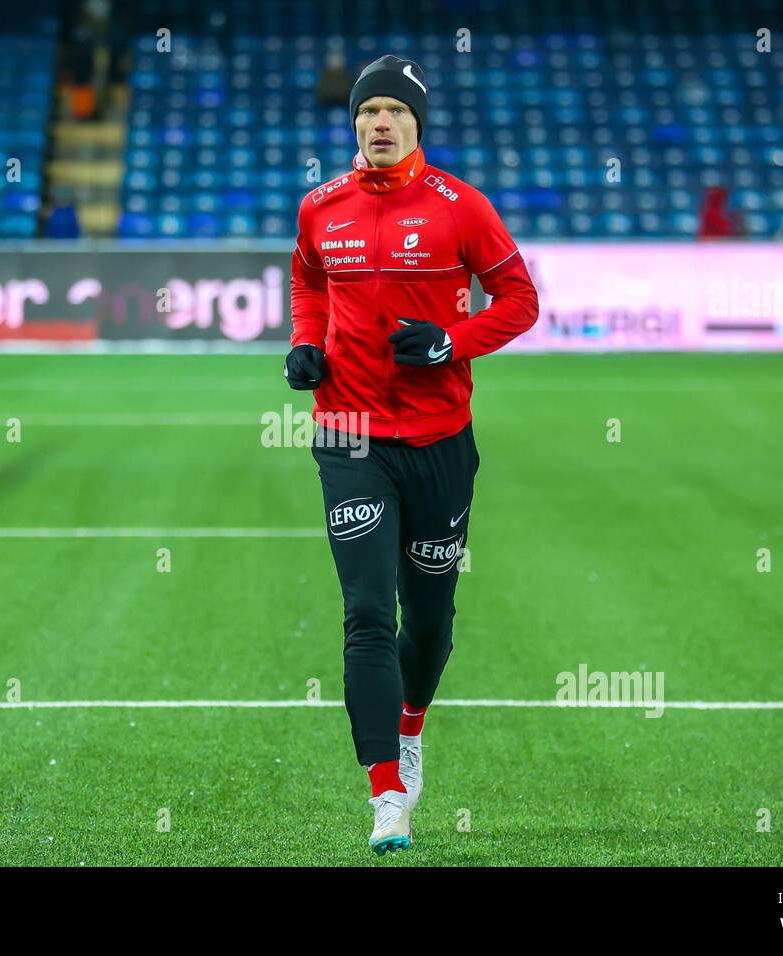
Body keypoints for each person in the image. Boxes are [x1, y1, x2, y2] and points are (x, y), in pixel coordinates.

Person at [285, 54, 539, 855]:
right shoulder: (320, 207)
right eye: (368, 113)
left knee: (430, 625)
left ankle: (413, 725)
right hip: (348, 433)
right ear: (354, 124)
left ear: (417, 124)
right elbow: (309, 283)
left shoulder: (462, 207)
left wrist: (451, 344)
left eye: (395, 111)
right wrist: (302, 343)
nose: (380, 123)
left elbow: (521, 301)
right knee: (366, 613)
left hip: (438, 441)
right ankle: (387, 793)